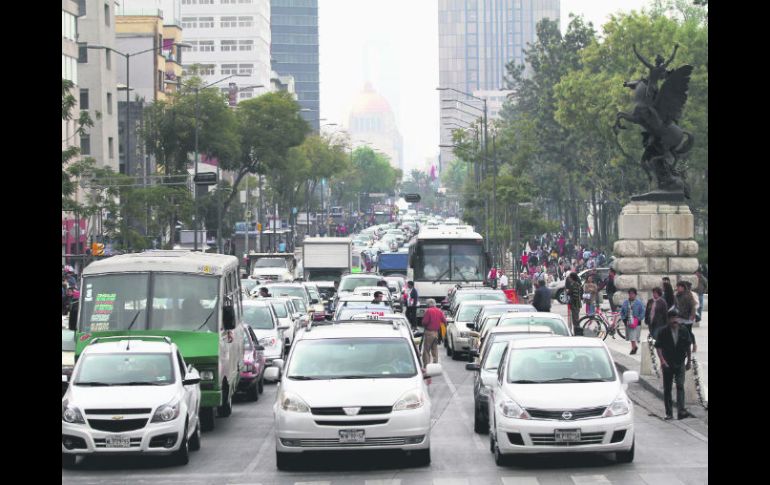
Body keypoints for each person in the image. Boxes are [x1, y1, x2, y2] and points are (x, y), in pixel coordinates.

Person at [655, 307, 693, 420]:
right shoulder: (663, 331)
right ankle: (669, 413)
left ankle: (681, 411)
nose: (674, 320)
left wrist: (689, 361)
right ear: (668, 319)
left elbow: (688, 346)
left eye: (676, 317)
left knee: (680, 385)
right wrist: (662, 360)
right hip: (667, 363)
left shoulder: (684, 330)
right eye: (672, 318)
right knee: (667, 388)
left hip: (680, 361)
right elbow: (658, 347)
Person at [620, 288, 645, 354]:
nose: (631, 295)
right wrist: (623, 318)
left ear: (635, 294)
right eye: (630, 293)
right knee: (631, 336)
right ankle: (634, 347)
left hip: (636, 322)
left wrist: (639, 318)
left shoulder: (639, 303)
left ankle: (634, 348)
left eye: (632, 294)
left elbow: (643, 312)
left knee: (633, 335)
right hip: (628, 320)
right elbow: (622, 311)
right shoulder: (625, 302)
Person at [420, 299, 445, 365]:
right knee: (435, 349)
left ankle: (426, 365)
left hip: (429, 332)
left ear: (428, 304)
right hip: (436, 333)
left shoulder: (428, 311)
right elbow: (444, 321)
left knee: (426, 350)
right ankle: (435, 364)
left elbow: (424, 322)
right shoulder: (439, 311)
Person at [675, 281, 697, 353]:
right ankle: (682, 345)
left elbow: (693, 306)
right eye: (677, 287)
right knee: (680, 332)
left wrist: (692, 315)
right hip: (679, 317)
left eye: (679, 287)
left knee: (688, 332)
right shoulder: (676, 295)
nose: (677, 288)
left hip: (688, 318)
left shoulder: (688, 295)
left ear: (683, 287)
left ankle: (693, 344)